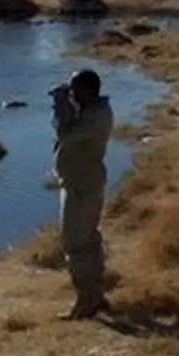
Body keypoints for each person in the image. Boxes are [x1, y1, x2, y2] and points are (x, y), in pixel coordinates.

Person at [50, 69, 115, 320]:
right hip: (83, 182)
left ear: (87, 90)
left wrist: (61, 107)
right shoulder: (93, 111)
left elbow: (65, 134)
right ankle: (96, 296)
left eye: (74, 89)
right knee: (88, 239)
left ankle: (86, 301)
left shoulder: (95, 116)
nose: (71, 93)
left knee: (75, 243)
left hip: (81, 186)